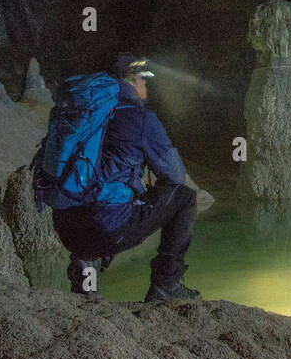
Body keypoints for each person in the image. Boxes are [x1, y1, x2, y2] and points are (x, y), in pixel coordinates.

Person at [52, 53, 201, 303]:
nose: (146, 85)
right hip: (105, 228)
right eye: (143, 80)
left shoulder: (82, 112)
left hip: (66, 228)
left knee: (100, 201)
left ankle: (85, 287)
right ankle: (166, 285)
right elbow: (176, 176)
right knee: (184, 198)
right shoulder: (140, 118)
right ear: (132, 80)